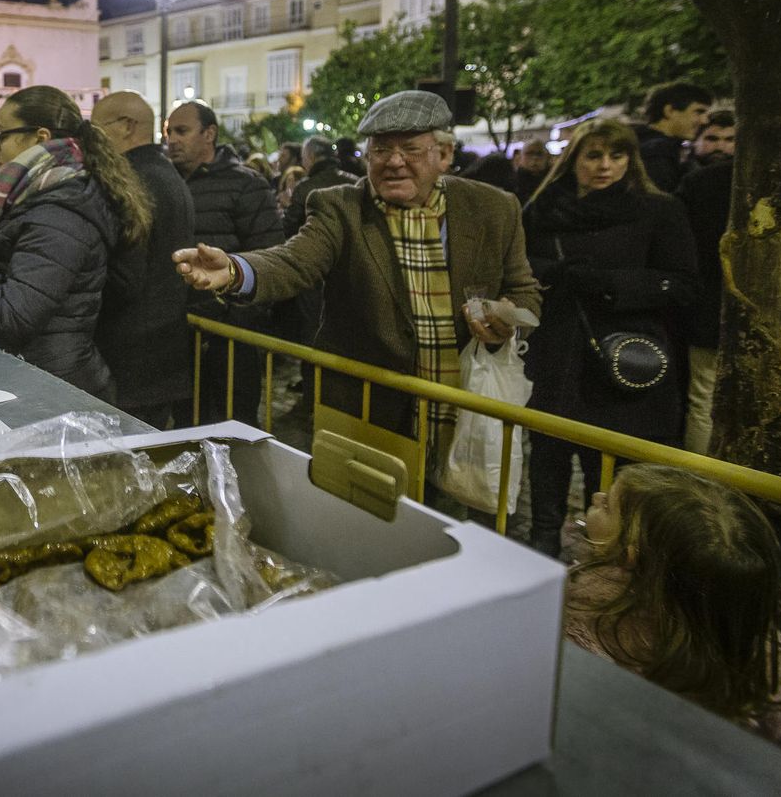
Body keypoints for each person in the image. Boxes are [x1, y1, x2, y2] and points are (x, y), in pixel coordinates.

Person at [173, 90, 541, 511]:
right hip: (371, 414)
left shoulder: (493, 208)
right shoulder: (340, 206)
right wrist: (236, 270)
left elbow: (525, 290)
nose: (394, 161)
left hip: (465, 411)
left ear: (444, 154)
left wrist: (506, 320)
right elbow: (295, 261)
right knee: (369, 528)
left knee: (458, 526)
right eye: (381, 149)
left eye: (410, 149)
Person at [565, 465, 781, 761]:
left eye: (608, 506)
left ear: (631, 555)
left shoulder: (585, 616)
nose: (598, 496)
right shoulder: (749, 649)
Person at [521, 118, 698, 556]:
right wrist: (553, 274)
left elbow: (683, 283)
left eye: (616, 156)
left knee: (612, 473)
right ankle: (542, 552)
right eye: (594, 155)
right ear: (574, 158)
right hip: (558, 352)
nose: (605, 166)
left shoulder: (657, 210)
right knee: (548, 456)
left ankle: (604, 561)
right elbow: (520, 266)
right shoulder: (543, 210)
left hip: (623, 355)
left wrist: (611, 284)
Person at [0, 85, 151, 400]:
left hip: (54, 386)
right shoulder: (47, 198)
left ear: (40, 138)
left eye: (0, 135)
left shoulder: (60, 208)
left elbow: (11, 317)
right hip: (41, 375)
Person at [164, 100, 284, 426]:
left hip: (228, 341)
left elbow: (270, 259)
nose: (172, 138)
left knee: (232, 427)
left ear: (209, 133)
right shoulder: (166, 182)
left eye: (182, 130)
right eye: (168, 131)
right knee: (186, 428)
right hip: (178, 336)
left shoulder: (246, 185)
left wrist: (233, 315)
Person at [92, 90, 196, 426]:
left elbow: (126, 276)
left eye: (97, 129)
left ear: (126, 126)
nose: (92, 140)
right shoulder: (165, 173)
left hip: (131, 357)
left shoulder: (131, 180)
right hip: (160, 353)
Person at [676, 152, 732, 453]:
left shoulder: (702, 181)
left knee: (703, 401)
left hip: (710, 309)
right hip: (716, 308)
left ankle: (701, 480)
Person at [635, 81, 712, 192]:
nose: (705, 121)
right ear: (669, 111)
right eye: (698, 112)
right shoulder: (657, 152)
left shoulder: (638, 143)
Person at [283, 134, 357, 238]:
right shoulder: (354, 181)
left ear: (311, 157)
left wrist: (287, 206)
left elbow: (289, 227)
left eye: (303, 158)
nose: (303, 163)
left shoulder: (304, 187)